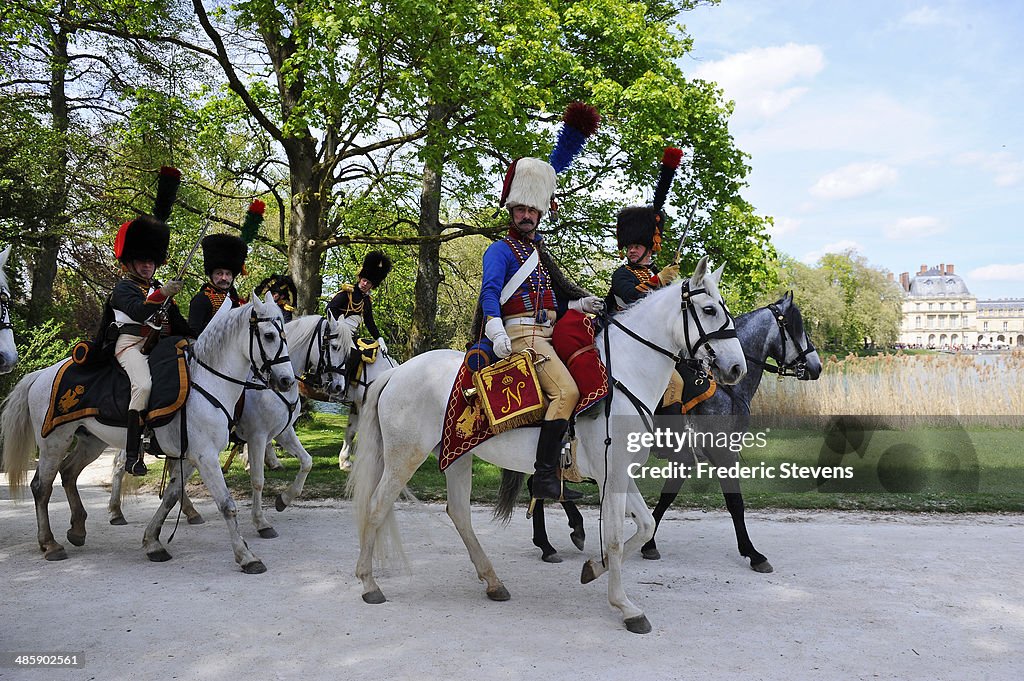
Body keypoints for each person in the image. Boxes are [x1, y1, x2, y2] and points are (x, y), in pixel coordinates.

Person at [477, 157, 605, 502]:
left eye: (532, 209)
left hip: (545, 333)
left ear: (541, 212)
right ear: (511, 210)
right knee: (567, 393)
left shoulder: (537, 252)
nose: (526, 215)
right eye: (520, 208)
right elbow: (490, 292)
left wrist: (578, 306)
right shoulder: (500, 251)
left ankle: (572, 463)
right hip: (520, 335)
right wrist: (495, 330)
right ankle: (546, 477)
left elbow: (549, 302)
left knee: (592, 375)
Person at [106, 203, 192, 475]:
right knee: (142, 386)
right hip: (130, 344)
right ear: (130, 263)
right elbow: (139, 311)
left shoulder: (157, 288)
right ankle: (133, 454)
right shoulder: (123, 288)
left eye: (151, 261)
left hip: (159, 346)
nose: (147, 266)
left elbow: (179, 325)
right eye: (142, 261)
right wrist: (164, 293)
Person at [607, 205, 688, 415]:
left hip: (653, 342)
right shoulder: (622, 274)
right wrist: (659, 280)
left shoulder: (655, 272)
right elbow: (632, 297)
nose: (631, 250)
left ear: (649, 249)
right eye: (629, 246)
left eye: (637, 246)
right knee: (674, 383)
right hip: (622, 341)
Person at [326, 250, 391, 352]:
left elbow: (369, 322)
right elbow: (330, 308)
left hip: (351, 336)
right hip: (335, 334)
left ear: (372, 286)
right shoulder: (347, 293)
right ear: (360, 278)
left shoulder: (367, 301)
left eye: (368, 282)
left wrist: (379, 338)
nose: (365, 284)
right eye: (364, 280)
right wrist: (337, 326)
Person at [188, 233, 248, 335]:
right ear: (211, 275)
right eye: (219, 273)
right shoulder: (201, 299)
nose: (224, 278)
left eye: (228, 274)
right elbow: (193, 334)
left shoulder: (235, 301)